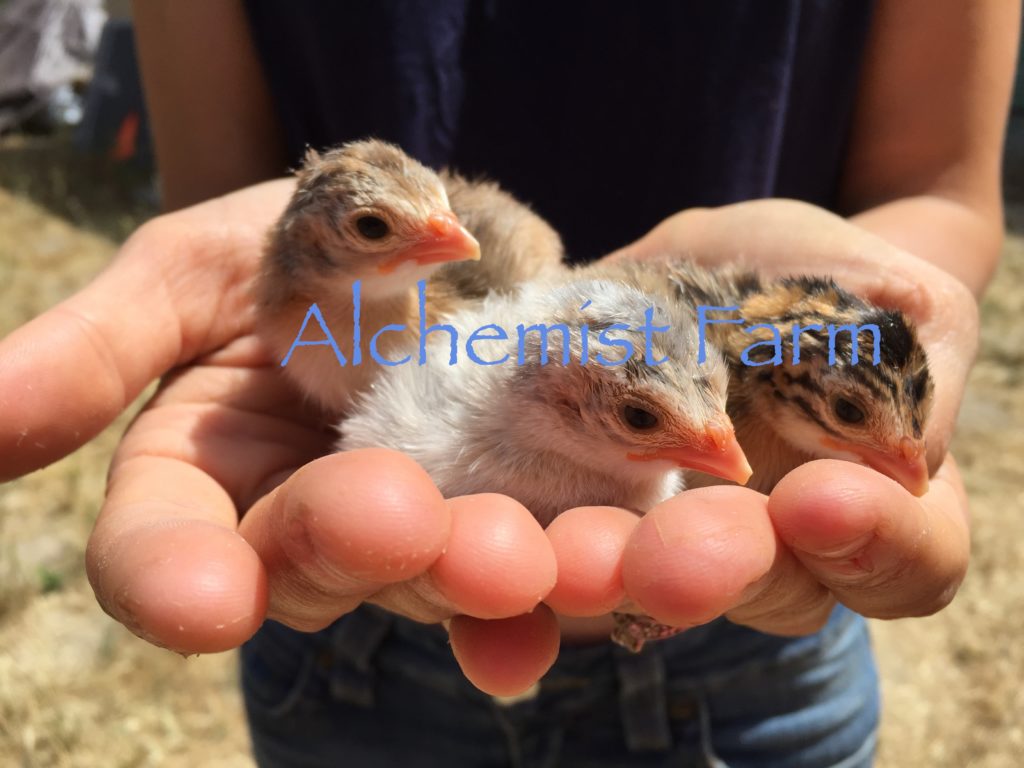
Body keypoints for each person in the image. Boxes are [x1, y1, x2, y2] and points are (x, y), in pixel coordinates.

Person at [0, 1, 1017, 765]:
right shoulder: (417, 337)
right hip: (349, 650)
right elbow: (271, 222)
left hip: (750, 658)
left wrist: (891, 292)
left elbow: (935, 182)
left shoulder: (691, 354)